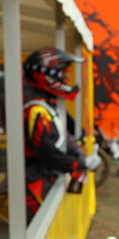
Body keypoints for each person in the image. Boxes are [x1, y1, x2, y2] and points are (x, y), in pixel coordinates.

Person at [23, 48, 102, 217]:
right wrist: (80, 163)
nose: (66, 79)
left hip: (47, 178)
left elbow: (73, 130)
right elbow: (49, 154)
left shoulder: (50, 105)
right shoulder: (37, 111)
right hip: (36, 182)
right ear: (45, 75)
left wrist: (83, 146)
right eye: (62, 74)